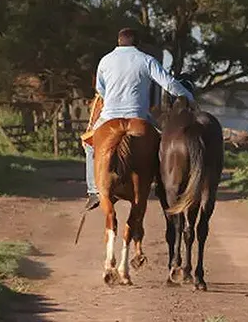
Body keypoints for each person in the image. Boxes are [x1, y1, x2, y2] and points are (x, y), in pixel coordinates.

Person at [83, 28, 195, 210]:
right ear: (138, 43)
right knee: (162, 143)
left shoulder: (105, 60)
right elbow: (168, 83)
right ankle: (161, 183)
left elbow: (101, 90)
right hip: (139, 115)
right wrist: (188, 96)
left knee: (89, 144)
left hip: (110, 115)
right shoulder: (146, 60)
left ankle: (94, 191)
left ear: (118, 41)